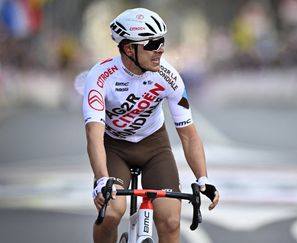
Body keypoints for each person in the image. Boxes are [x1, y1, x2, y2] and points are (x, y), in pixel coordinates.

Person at [82, 8, 220, 243]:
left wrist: (202, 179)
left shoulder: (168, 76)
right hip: (115, 148)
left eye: (162, 41)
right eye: (152, 43)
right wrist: (102, 178)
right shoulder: (100, 77)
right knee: (112, 212)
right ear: (128, 48)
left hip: (155, 147)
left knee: (170, 220)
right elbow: (94, 136)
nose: (161, 49)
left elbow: (188, 134)